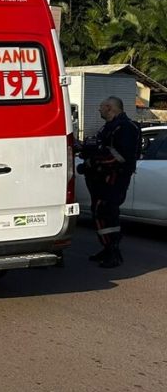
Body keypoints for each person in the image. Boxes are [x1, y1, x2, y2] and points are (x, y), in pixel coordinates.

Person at [76, 96, 141, 268]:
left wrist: (92, 162)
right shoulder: (110, 127)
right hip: (101, 178)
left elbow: (120, 158)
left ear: (109, 107)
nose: (99, 110)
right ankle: (108, 248)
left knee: (104, 212)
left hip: (113, 179)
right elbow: (100, 147)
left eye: (101, 107)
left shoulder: (125, 128)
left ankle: (112, 251)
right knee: (103, 212)